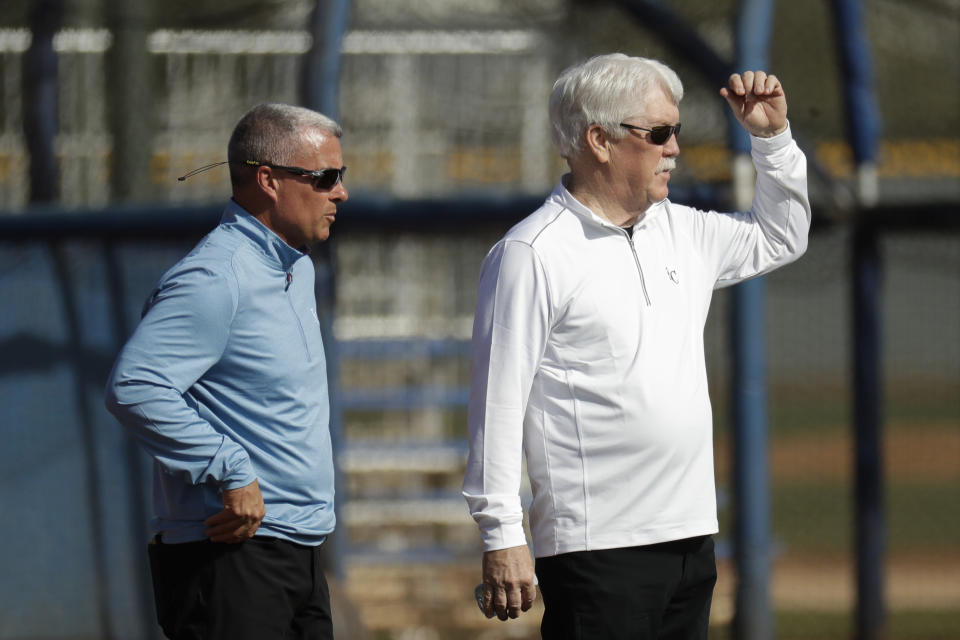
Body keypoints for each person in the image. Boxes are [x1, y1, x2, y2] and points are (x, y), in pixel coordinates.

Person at [462, 54, 810, 638]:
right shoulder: (532, 253)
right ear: (598, 139)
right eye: (659, 133)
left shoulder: (682, 230)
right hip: (597, 549)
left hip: (689, 537)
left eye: (676, 131)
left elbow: (783, 236)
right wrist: (502, 534)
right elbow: (497, 405)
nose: (674, 148)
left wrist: (772, 138)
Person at [105, 103, 348, 639]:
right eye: (326, 177)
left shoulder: (296, 265)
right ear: (269, 181)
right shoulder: (217, 276)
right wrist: (230, 467)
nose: (340, 193)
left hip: (296, 549)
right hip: (230, 554)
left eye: (341, 177)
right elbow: (135, 386)